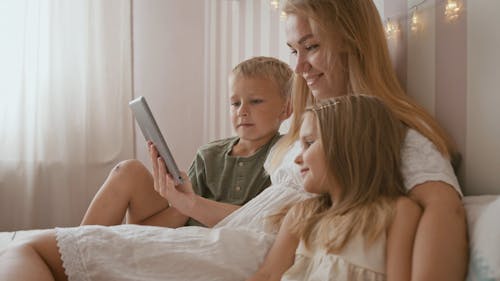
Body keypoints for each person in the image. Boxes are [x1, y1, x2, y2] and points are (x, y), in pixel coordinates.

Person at [0, 0, 467, 280]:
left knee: (29, 249)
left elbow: (441, 207)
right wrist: (187, 204)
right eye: (294, 51)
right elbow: (259, 216)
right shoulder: (311, 132)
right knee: (31, 250)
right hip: (228, 240)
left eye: (312, 46)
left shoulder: (387, 132)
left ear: (354, 41)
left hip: (241, 257)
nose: (300, 67)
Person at [80, 56, 293, 227]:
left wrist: (190, 205)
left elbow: (261, 218)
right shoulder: (209, 154)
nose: (242, 111)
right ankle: (79, 245)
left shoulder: (286, 154)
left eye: (255, 102)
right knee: (128, 170)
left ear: (286, 109)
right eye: (235, 103)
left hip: (224, 230)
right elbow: (180, 215)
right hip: (183, 223)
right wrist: (173, 194)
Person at [247, 95, 422, 281]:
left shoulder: (397, 213)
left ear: (347, 145)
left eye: (309, 143)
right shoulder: (302, 215)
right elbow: (267, 275)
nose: (298, 159)